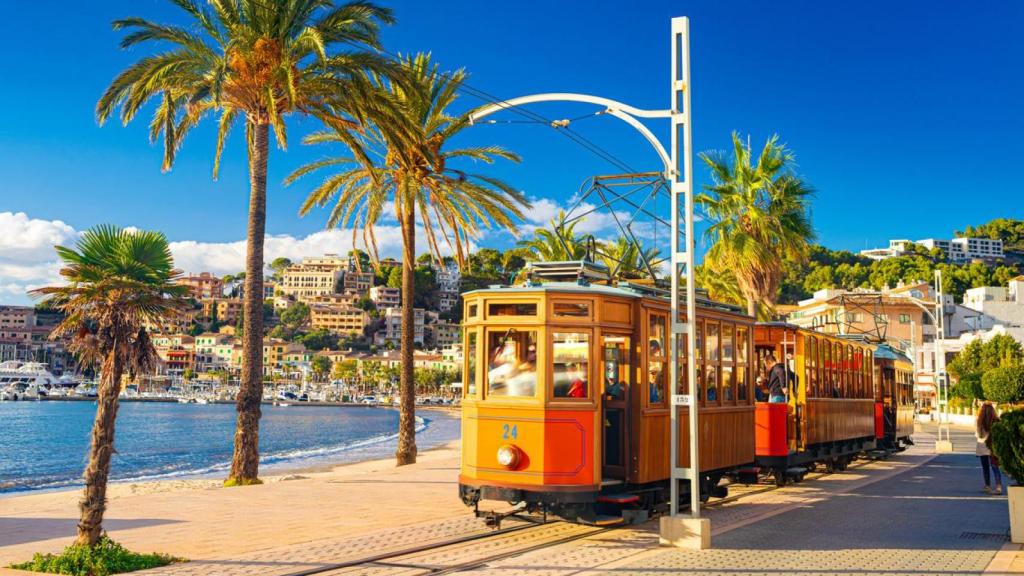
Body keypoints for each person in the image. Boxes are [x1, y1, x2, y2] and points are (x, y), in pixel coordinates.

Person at [976, 402, 1003, 495]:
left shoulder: (979, 421)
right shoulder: (997, 421)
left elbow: (977, 434)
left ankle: (987, 486)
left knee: (985, 467)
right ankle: (998, 487)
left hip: (982, 446)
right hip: (992, 447)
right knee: (995, 467)